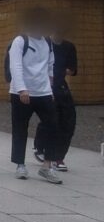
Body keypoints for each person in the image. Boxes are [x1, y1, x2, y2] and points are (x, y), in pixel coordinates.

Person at [8, 8, 63, 184]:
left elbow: (50, 65)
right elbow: (15, 66)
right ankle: (20, 164)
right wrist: (22, 89)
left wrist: (50, 88)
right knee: (20, 128)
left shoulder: (47, 42)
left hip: (43, 91)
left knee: (53, 126)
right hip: (22, 92)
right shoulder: (20, 41)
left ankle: (47, 165)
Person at [35, 20, 78, 171]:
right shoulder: (44, 44)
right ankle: (42, 149)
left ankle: (59, 156)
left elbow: (71, 69)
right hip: (44, 87)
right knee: (51, 120)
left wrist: (61, 71)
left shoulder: (69, 47)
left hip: (61, 87)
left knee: (68, 120)